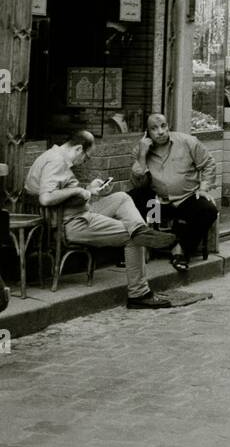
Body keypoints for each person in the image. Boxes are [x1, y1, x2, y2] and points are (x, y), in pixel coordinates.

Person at [25, 130, 175, 308]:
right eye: (87, 157)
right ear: (79, 149)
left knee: (122, 198)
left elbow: (58, 191)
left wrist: (88, 189)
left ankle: (141, 230)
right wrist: (79, 191)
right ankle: (139, 293)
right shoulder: (56, 162)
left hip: (75, 213)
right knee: (134, 236)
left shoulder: (51, 155)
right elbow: (46, 198)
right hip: (71, 223)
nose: (84, 161)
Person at [130, 114, 218, 272]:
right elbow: (139, 183)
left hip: (187, 199)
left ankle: (181, 250)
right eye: (154, 128)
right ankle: (138, 250)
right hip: (157, 204)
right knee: (130, 199)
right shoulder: (141, 149)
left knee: (208, 210)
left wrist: (204, 188)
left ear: (168, 125)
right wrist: (143, 155)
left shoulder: (187, 142)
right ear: (147, 132)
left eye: (163, 126)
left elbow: (209, 164)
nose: (160, 132)